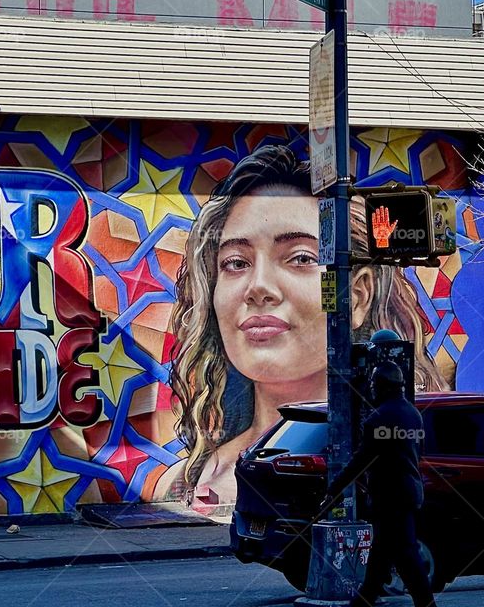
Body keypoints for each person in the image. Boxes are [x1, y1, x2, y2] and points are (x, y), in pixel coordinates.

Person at [157, 144, 444, 508]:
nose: (258, 287)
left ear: (357, 296)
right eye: (235, 262)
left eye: (301, 258)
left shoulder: (395, 426)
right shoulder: (187, 479)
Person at [326, 362, 443, 607]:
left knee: (407, 559)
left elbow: (361, 460)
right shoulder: (413, 415)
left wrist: (335, 488)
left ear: (382, 387)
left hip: (389, 498)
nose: (372, 390)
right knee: (382, 558)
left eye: (375, 385)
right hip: (408, 493)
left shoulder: (378, 419)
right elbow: (417, 453)